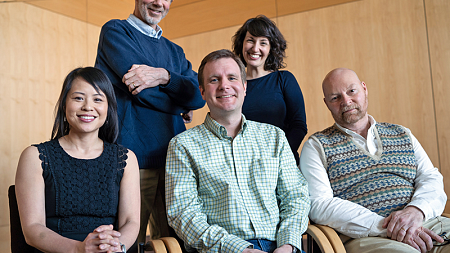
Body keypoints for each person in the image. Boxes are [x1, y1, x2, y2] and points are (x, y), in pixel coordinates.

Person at [165, 49, 310, 253]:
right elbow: (183, 214)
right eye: (214, 80)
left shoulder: (274, 137)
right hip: (223, 249)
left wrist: (287, 245)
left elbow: (295, 197)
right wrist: (240, 249)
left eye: (232, 78)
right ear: (202, 92)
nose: (224, 86)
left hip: (281, 246)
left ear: (243, 86)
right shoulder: (182, 146)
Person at [299, 67, 449, 253]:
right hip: (370, 237)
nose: (346, 101)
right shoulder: (316, 146)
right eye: (335, 97)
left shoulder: (402, 133)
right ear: (326, 103)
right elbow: (319, 204)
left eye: (352, 91)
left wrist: (415, 212)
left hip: (427, 222)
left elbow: (431, 178)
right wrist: (390, 227)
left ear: (364, 89)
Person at [94, 0, 206, 244]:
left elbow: (199, 95)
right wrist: (180, 104)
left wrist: (163, 76)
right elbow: (141, 91)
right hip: (131, 161)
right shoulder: (116, 31)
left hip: (174, 163)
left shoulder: (175, 52)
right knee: (127, 243)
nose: (158, 2)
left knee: (174, 243)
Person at [15, 67, 140, 253]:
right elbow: (32, 229)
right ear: (64, 105)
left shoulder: (126, 158)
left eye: (98, 99)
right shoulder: (35, 156)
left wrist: (117, 247)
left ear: (108, 108)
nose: (88, 107)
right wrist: (80, 249)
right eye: (78, 98)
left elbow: (131, 221)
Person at [232, 15, 307, 165]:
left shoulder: (284, 79)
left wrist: (275, 158)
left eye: (263, 43)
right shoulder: (234, 85)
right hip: (243, 165)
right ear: (242, 44)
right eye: (250, 40)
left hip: (282, 162)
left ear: (271, 48)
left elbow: (299, 126)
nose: (255, 48)